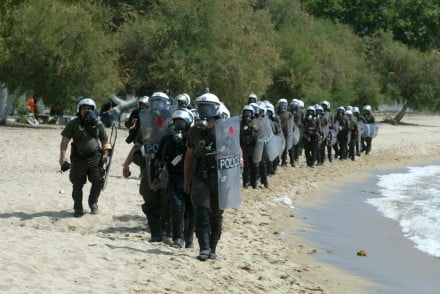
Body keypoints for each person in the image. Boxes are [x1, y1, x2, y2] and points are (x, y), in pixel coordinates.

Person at [123, 92, 172, 242]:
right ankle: (156, 233)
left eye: (161, 102)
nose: (158, 106)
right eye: (155, 102)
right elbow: (138, 145)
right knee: (149, 198)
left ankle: (167, 231)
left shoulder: (173, 122)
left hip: (167, 167)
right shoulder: (146, 123)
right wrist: (126, 163)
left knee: (167, 201)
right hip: (148, 165)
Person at [184, 92, 224, 261]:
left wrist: (240, 160)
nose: (204, 110)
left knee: (216, 215)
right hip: (200, 175)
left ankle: (213, 248)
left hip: (220, 177)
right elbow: (189, 155)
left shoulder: (225, 127)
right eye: (201, 107)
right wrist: (187, 179)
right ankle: (204, 248)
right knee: (201, 212)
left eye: (207, 107)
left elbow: (236, 150)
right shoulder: (193, 131)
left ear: (215, 109)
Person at [59, 97, 112, 217]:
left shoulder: (98, 124)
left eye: (89, 108)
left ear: (93, 110)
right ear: (79, 110)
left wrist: (105, 153)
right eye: (84, 108)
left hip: (95, 158)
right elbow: (64, 141)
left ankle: (93, 202)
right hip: (78, 159)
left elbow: (105, 140)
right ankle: (78, 208)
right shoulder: (73, 123)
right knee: (77, 184)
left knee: (98, 182)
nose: (86, 110)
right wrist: (62, 157)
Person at [154, 108, 195, 248]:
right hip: (174, 178)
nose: (178, 124)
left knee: (191, 209)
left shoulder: (194, 139)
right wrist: (156, 175)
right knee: (176, 208)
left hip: (191, 179)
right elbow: (158, 159)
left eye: (181, 122)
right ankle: (178, 238)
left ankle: (189, 239)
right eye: (176, 121)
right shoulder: (167, 139)